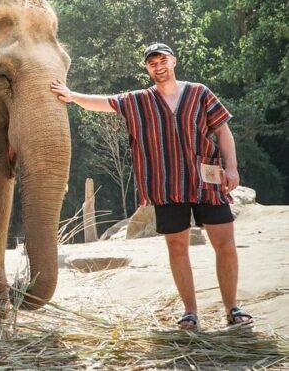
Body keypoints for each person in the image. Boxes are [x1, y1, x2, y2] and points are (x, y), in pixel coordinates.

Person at [50, 43, 253, 330]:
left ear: (174, 61)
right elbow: (105, 102)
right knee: (177, 247)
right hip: (166, 184)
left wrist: (231, 167)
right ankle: (190, 312)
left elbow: (222, 129)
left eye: (163, 60)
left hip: (207, 180)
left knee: (225, 243)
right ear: (147, 68)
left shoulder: (199, 93)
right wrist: (71, 96)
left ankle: (233, 308)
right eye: (152, 63)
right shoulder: (140, 100)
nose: (158, 66)